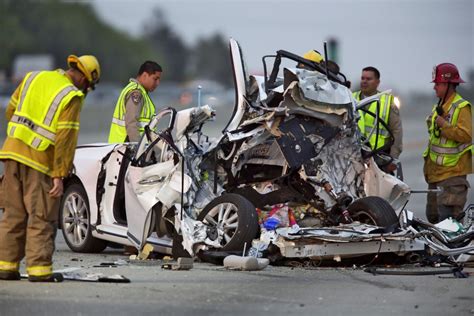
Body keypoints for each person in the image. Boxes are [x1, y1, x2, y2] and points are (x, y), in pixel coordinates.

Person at [0, 55, 101, 281]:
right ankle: (39, 270)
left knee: (12, 214)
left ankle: (5, 267)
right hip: (38, 161)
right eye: (88, 87)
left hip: (11, 153)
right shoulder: (71, 96)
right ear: (85, 79)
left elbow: (10, 112)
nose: (86, 91)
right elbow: (65, 139)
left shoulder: (33, 77)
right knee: (42, 215)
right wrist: (59, 175)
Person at [424, 63, 472, 223]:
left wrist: (443, 124)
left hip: (452, 176)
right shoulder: (440, 106)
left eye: (437, 84)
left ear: (448, 84)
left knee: (449, 223)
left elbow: (466, 135)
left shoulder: (461, 107)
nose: (434, 87)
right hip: (435, 175)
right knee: (433, 219)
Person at [353, 67, 403, 172]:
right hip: (354, 157)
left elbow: (397, 132)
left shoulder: (388, 102)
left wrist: (393, 159)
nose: (364, 81)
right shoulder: (351, 98)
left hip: (379, 158)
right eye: (363, 78)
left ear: (377, 82)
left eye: (368, 79)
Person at [108, 61, 162, 143]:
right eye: (155, 79)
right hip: (126, 150)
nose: (158, 83)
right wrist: (138, 149)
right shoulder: (136, 93)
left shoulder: (141, 92)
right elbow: (131, 124)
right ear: (144, 75)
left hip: (126, 149)